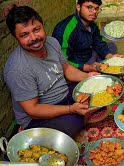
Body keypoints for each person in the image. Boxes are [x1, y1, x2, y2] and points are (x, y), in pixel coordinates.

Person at [4, 5, 98, 141]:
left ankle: (76, 119)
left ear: (42, 25)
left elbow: (67, 70)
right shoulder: (17, 68)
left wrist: (88, 77)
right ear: (15, 38)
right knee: (74, 121)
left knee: (97, 95)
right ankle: (70, 125)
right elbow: (33, 110)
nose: (34, 38)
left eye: (36, 30)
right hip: (37, 117)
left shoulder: (52, 42)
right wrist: (71, 109)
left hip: (64, 96)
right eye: (24, 35)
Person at [52, 0, 120, 72]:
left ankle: (101, 66)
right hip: (77, 65)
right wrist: (89, 67)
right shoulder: (65, 29)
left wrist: (110, 57)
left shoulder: (91, 23)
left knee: (111, 46)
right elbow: (63, 61)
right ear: (78, 7)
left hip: (89, 54)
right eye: (89, 7)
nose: (94, 12)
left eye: (96, 8)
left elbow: (98, 42)